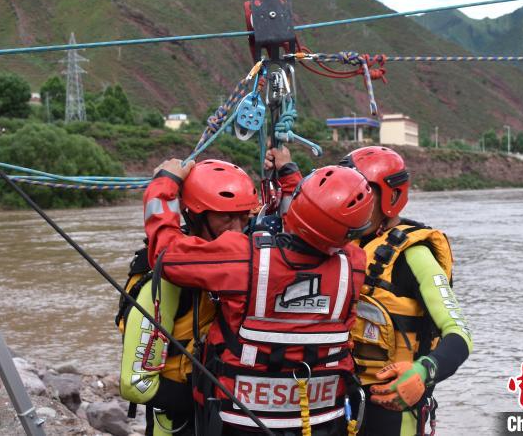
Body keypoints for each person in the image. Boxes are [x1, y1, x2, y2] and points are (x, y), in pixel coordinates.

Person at [143, 158, 374, 435]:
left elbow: (165, 255)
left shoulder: (243, 257)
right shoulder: (355, 264)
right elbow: (315, 227)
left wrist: (163, 184)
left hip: (238, 422)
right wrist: (289, 173)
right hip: (323, 421)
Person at [338, 146, 473, 436]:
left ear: (391, 197)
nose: (351, 201)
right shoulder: (337, 246)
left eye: (362, 193)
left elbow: (458, 333)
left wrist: (424, 371)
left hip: (391, 412)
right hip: (337, 400)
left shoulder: (415, 256)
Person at [119, 159, 260, 435]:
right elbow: (135, 383)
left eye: (244, 217)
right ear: (194, 215)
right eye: (226, 217)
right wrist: (208, 399)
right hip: (178, 423)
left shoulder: (244, 263)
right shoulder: (166, 282)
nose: (238, 228)